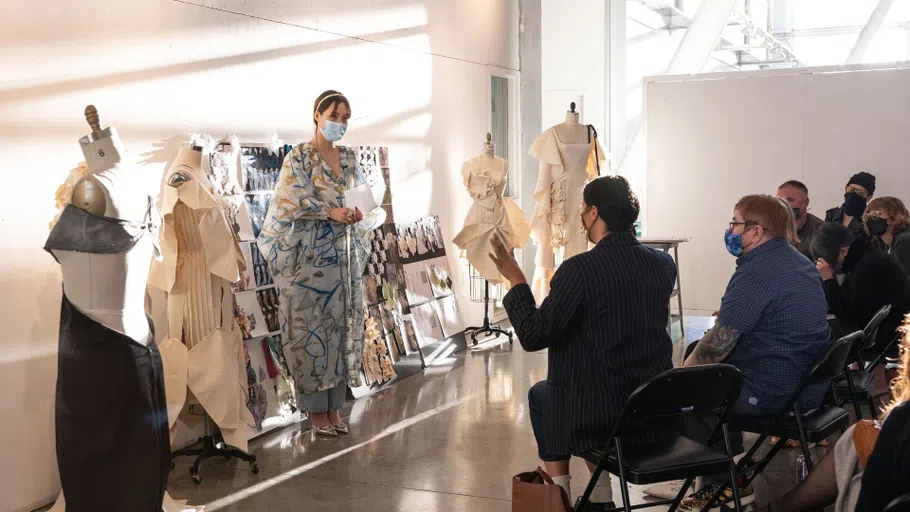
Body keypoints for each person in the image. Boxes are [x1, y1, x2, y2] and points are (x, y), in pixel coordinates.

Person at [489, 176, 676, 507]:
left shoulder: (580, 270)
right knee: (559, 393)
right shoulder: (662, 264)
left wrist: (516, 278)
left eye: (582, 210)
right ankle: (598, 497)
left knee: (544, 397)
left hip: (601, 415)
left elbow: (533, 335)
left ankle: (559, 496)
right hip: (652, 408)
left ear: (592, 213)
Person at [679, 195, 830, 511]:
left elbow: (716, 348)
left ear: (756, 232)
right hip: (805, 381)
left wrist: (678, 379)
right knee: (700, 360)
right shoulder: (798, 261)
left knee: (689, 392)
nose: (730, 229)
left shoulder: (758, 271)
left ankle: (722, 481)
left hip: (776, 388)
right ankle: (732, 463)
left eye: (735, 222)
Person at [258, 90, 385, 437]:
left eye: (345, 118)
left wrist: (360, 212)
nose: (340, 123)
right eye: (334, 115)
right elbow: (288, 199)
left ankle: (333, 407)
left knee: (340, 330)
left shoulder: (348, 158)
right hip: (307, 263)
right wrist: (328, 210)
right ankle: (315, 412)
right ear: (317, 115)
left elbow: (363, 195)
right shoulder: (299, 157)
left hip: (342, 261)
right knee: (310, 333)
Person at [756, 319, 910, 512]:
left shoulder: (901, 422)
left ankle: (765, 504)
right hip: (815, 385)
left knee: (858, 438)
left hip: (789, 392)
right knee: (857, 436)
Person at [811, 222, 910, 355]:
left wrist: (828, 279)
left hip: (889, 335)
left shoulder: (866, 266)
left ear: (843, 251)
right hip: (892, 328)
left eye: (832, 261)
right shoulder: (867, 255)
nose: (833, 266)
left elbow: (847, 314)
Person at [776, 180, 824, 259]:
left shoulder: (820, 230)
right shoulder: (770, 227)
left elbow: (824, 268)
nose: (783, 205)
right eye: (779, 201)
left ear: (805, 202)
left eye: (789, 200)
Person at [864, 196, 910, 276]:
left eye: (875, 215)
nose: (869, 220)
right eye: (868, 216)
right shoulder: (881, 244)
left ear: (894, 219)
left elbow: (903, 280)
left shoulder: (904, 240)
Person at [825, 172, 876, 240]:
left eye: (860, 192)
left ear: (869, 197)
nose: (853, 194)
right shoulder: (831, 215)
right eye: (850, 189)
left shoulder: (872, 221)